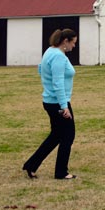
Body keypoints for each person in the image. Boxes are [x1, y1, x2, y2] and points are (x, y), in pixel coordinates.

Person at [22, 28, 79, 179]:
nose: (74, 46)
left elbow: (41, 70)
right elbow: (58, 82)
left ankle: (31, 164)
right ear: (65, 41)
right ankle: (61, 172)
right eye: (73, 43)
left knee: (56, 135)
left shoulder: (49, 51)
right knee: (68, 135)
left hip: (50, 101)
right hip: (58, 103)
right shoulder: (58, 57)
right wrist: (64, 106)